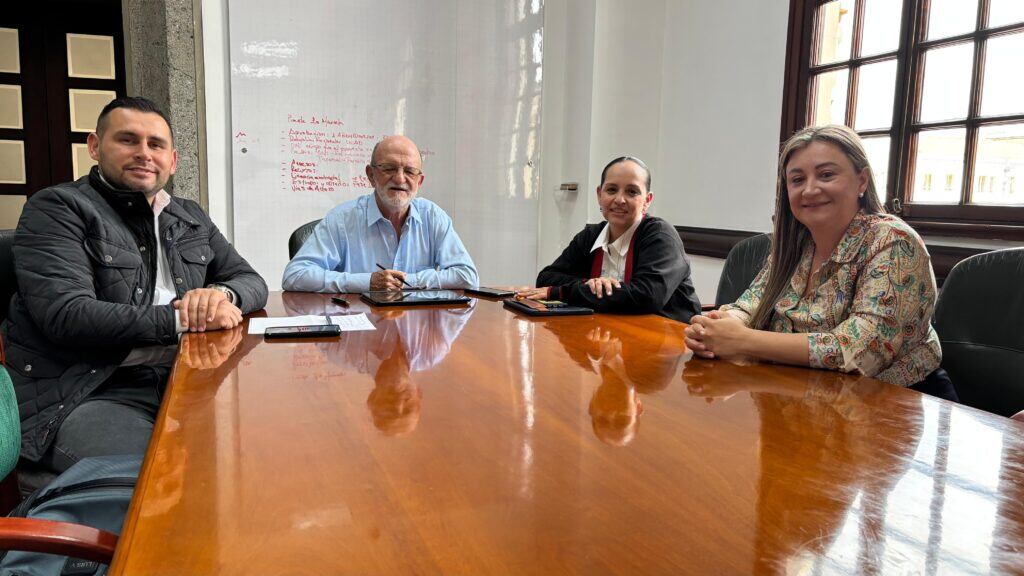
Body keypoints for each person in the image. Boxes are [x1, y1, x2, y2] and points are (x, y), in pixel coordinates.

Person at [1, 96, 268, 473]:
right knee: (159, 485)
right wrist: (182, 319)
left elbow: (251, 280)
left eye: (156, 144)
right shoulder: (57, 208)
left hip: (186, 381)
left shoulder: (188, 216)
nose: (144, 153)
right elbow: (66, 315)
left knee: (264, 455)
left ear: (172, 160)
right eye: (128, 140)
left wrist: (218, 295)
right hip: (92, 391)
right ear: (95, 146)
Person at [684, 124, 952, 399]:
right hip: (806, 398)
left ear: (862, 181)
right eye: (797, 180)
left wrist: (742, 340)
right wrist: (719, 325)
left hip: (896, 404)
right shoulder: (796, 244)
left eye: (826, 175)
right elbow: (750, 305)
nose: (810, 190)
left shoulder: (894, 241)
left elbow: (857, 351)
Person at [281, 135, 479, 292]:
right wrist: (367, 282)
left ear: (419, 181)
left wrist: (407, 280)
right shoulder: (342, 219)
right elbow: (295, 276)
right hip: (358, 330)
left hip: (416, 327)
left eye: (410, 171)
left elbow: (467, 276)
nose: (400, 179)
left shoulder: (433, 217)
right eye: (389, 168)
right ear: (371, 175)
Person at [521, 156, 702, 322]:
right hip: (613, 333)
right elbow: (546, 278)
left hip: (670, 340)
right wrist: (589, 284)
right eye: (611, 190)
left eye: (632, 192)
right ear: (600, 195)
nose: (620, 199)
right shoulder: (590, 236)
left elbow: (647, 297)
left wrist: (565, 291)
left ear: (647, 200)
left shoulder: (661, 236)